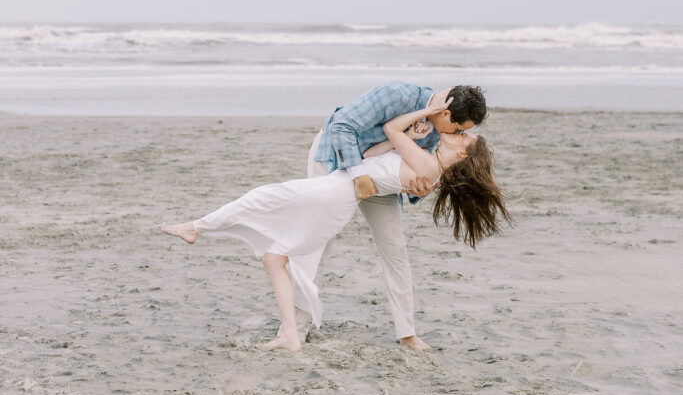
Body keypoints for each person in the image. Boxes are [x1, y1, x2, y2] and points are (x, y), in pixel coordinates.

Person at [161, 100, 508, 353]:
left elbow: (391, 131)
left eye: (465, 138)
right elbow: (373, 155)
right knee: (274, 252)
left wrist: (422, 115)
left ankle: (196, 228)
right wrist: (413, 139)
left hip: (335, 195)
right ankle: (290, 334)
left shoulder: (428, 167)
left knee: (262, 202)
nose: (460, 134)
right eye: (463, 130)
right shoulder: (426, 161)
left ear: (464, 155)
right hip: (338, 192)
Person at [302, 82, 488, 351]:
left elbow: (411, 168)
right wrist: (358, 176)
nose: (456, 134)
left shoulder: (440, 130)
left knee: (395, 249)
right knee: (319, 244)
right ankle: (297, 327)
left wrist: (418, 190)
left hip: (376, 172)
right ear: (446, 114)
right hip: (334, 158)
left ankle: (407, 333)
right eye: (459, 129)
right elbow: (341, 126)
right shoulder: (396, 95)